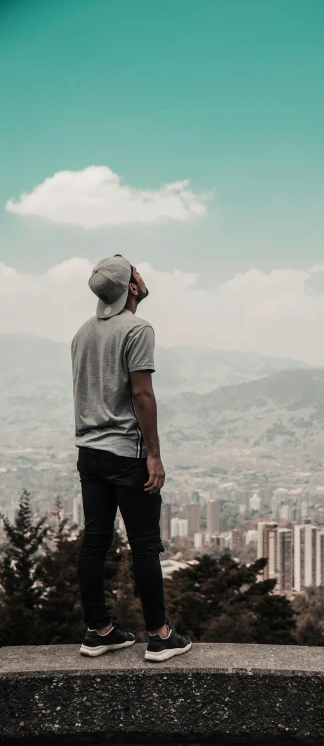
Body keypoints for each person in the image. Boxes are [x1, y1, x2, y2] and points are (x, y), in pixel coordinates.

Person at [71, 254, 191, 662]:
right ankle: (159, 636)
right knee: (144, 545)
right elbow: (141, 394)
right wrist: (153, 454)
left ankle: (99, 631)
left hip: (89, 454)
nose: (142, 272)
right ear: (132, 287)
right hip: (126, 454)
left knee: (94, 542)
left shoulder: (82, 334)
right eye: (136, 269)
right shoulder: (138, 329)